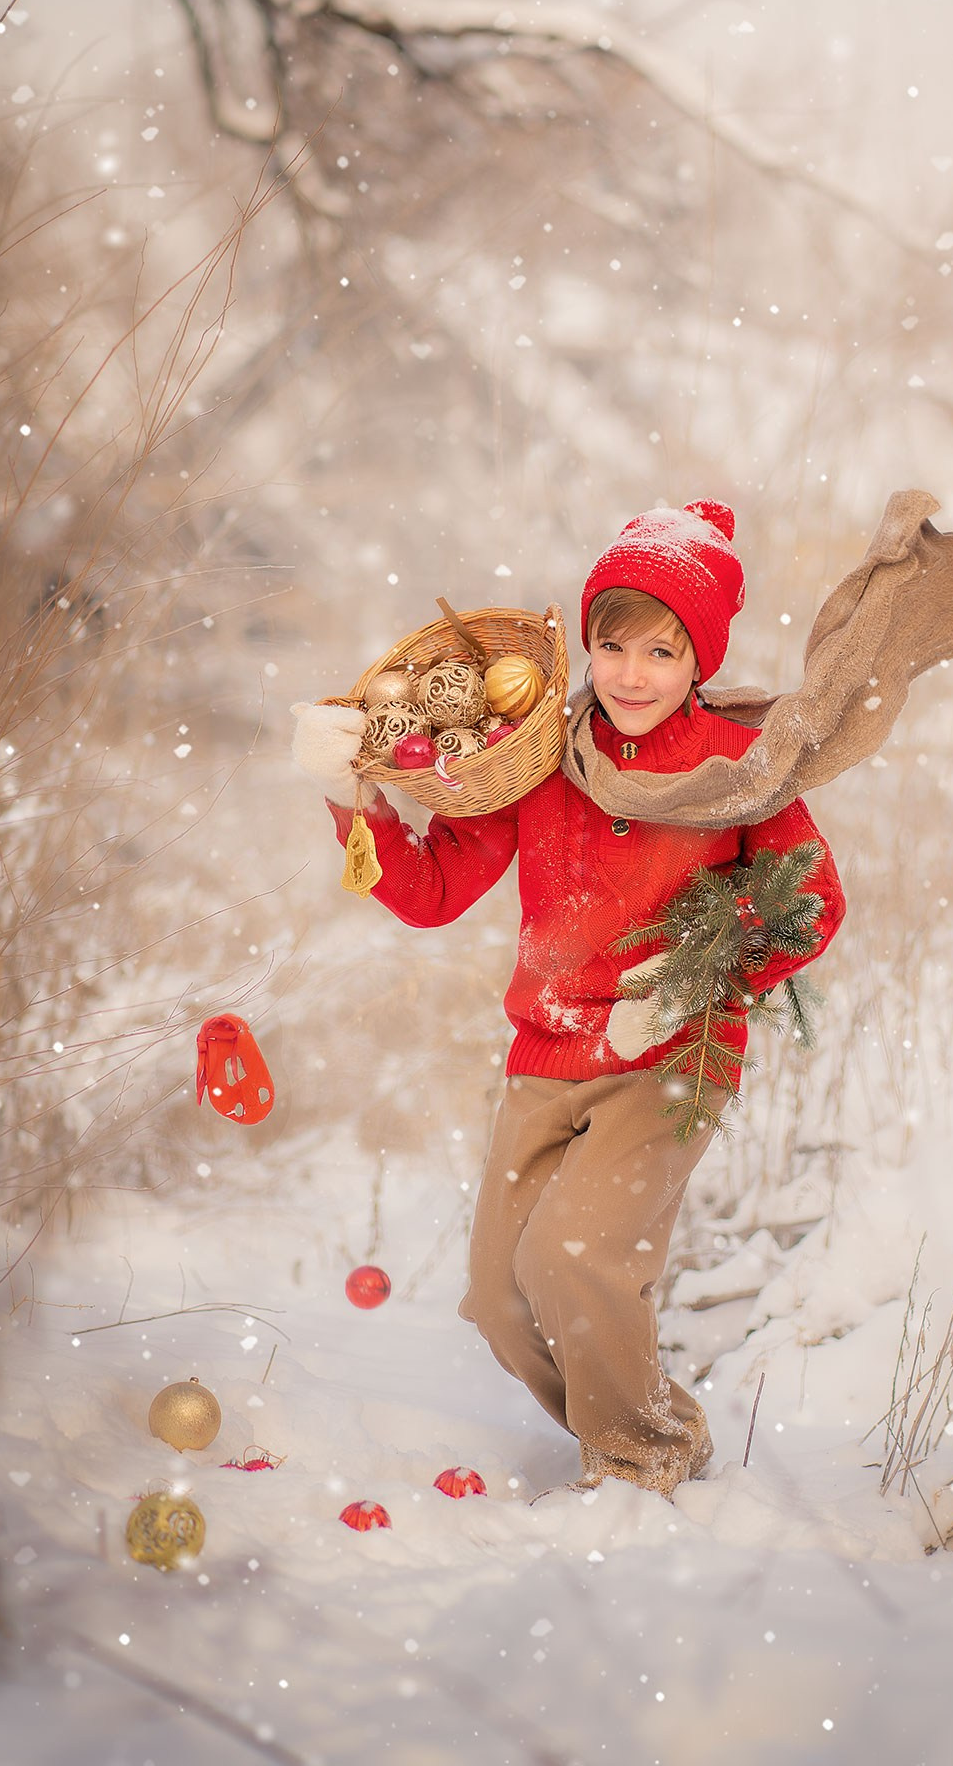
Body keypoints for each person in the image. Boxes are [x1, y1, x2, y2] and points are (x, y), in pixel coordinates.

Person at [292, 501, 845, 1498]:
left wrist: (686, 987)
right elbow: (433, 892)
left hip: (668, 1059)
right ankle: (654, 1421)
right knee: (501, 1304)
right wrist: (357, 800)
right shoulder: (544, 755)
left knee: (575, 1258)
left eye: (661, 652)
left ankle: (639, 1461)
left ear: (697, 662)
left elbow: (808, 901)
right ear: (584, 645)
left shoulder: (736, 764)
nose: (631, 673)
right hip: (545, 1053)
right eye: (612, 645)